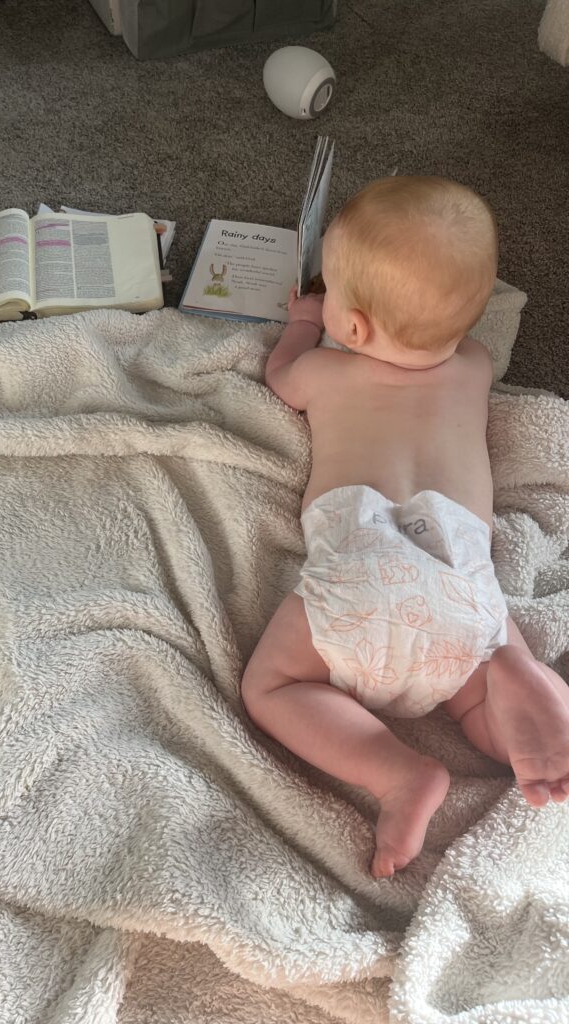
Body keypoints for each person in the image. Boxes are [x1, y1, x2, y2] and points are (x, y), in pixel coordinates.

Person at [240, 175, 569, 879]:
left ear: (351, 329)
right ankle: (514, 676)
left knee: (273, 687)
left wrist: (304, 321)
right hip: (463, 589)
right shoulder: (474, 366)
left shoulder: (326, 372)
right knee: (472, 703)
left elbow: (283, 373)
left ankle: (398, 774)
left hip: (364, 561)